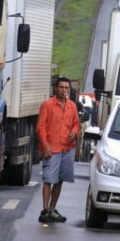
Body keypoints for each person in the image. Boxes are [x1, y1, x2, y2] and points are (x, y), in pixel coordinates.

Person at [36, 77, 80, 224]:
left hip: (67, 149)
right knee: (49, 179)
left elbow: (76, 124)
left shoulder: (72, 106)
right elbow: (40, 127)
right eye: (61, 87)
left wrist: (74, 132)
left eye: (66, 88)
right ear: (55, 88)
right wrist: (45, 146)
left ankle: (52, 209)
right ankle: (44, 210)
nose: (64, 90)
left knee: (60, 180)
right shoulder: (47, 105)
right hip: (52, 149)